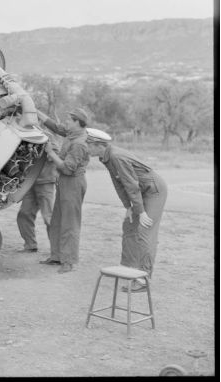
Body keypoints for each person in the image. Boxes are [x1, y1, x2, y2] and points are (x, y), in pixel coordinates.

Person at [86, 129, 168, 292]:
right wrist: (128, 207)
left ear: (98, 145)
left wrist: (142, 211)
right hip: (141, 191)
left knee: (145, 231)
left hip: (153, 191)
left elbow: (131, 185)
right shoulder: (106, 156)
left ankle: (144, 278)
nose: (86, 148)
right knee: (129, 225)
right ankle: (129, 268)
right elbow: (119, 184)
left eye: (88, 145)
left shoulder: (116, 156)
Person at [37, 108, 90, 273]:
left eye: (69, 120)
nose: (66, 123)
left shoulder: (79, 144)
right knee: (57, 220)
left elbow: (67, 169)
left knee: (70, 223)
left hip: (73, 183)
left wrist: (51, 153)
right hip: (65, 183)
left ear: (77, 123)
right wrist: (37, 113)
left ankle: (69, 261)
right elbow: (56, 127)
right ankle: (56, 256)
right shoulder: (72, 134)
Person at [16, 131, 58, 252]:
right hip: (30, 183)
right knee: (24, 213)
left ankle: (56, 250)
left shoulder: (48, 136)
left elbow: (55, 154)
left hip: (45, 183)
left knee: (48, 217)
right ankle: (30, 245)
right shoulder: (23, 136)